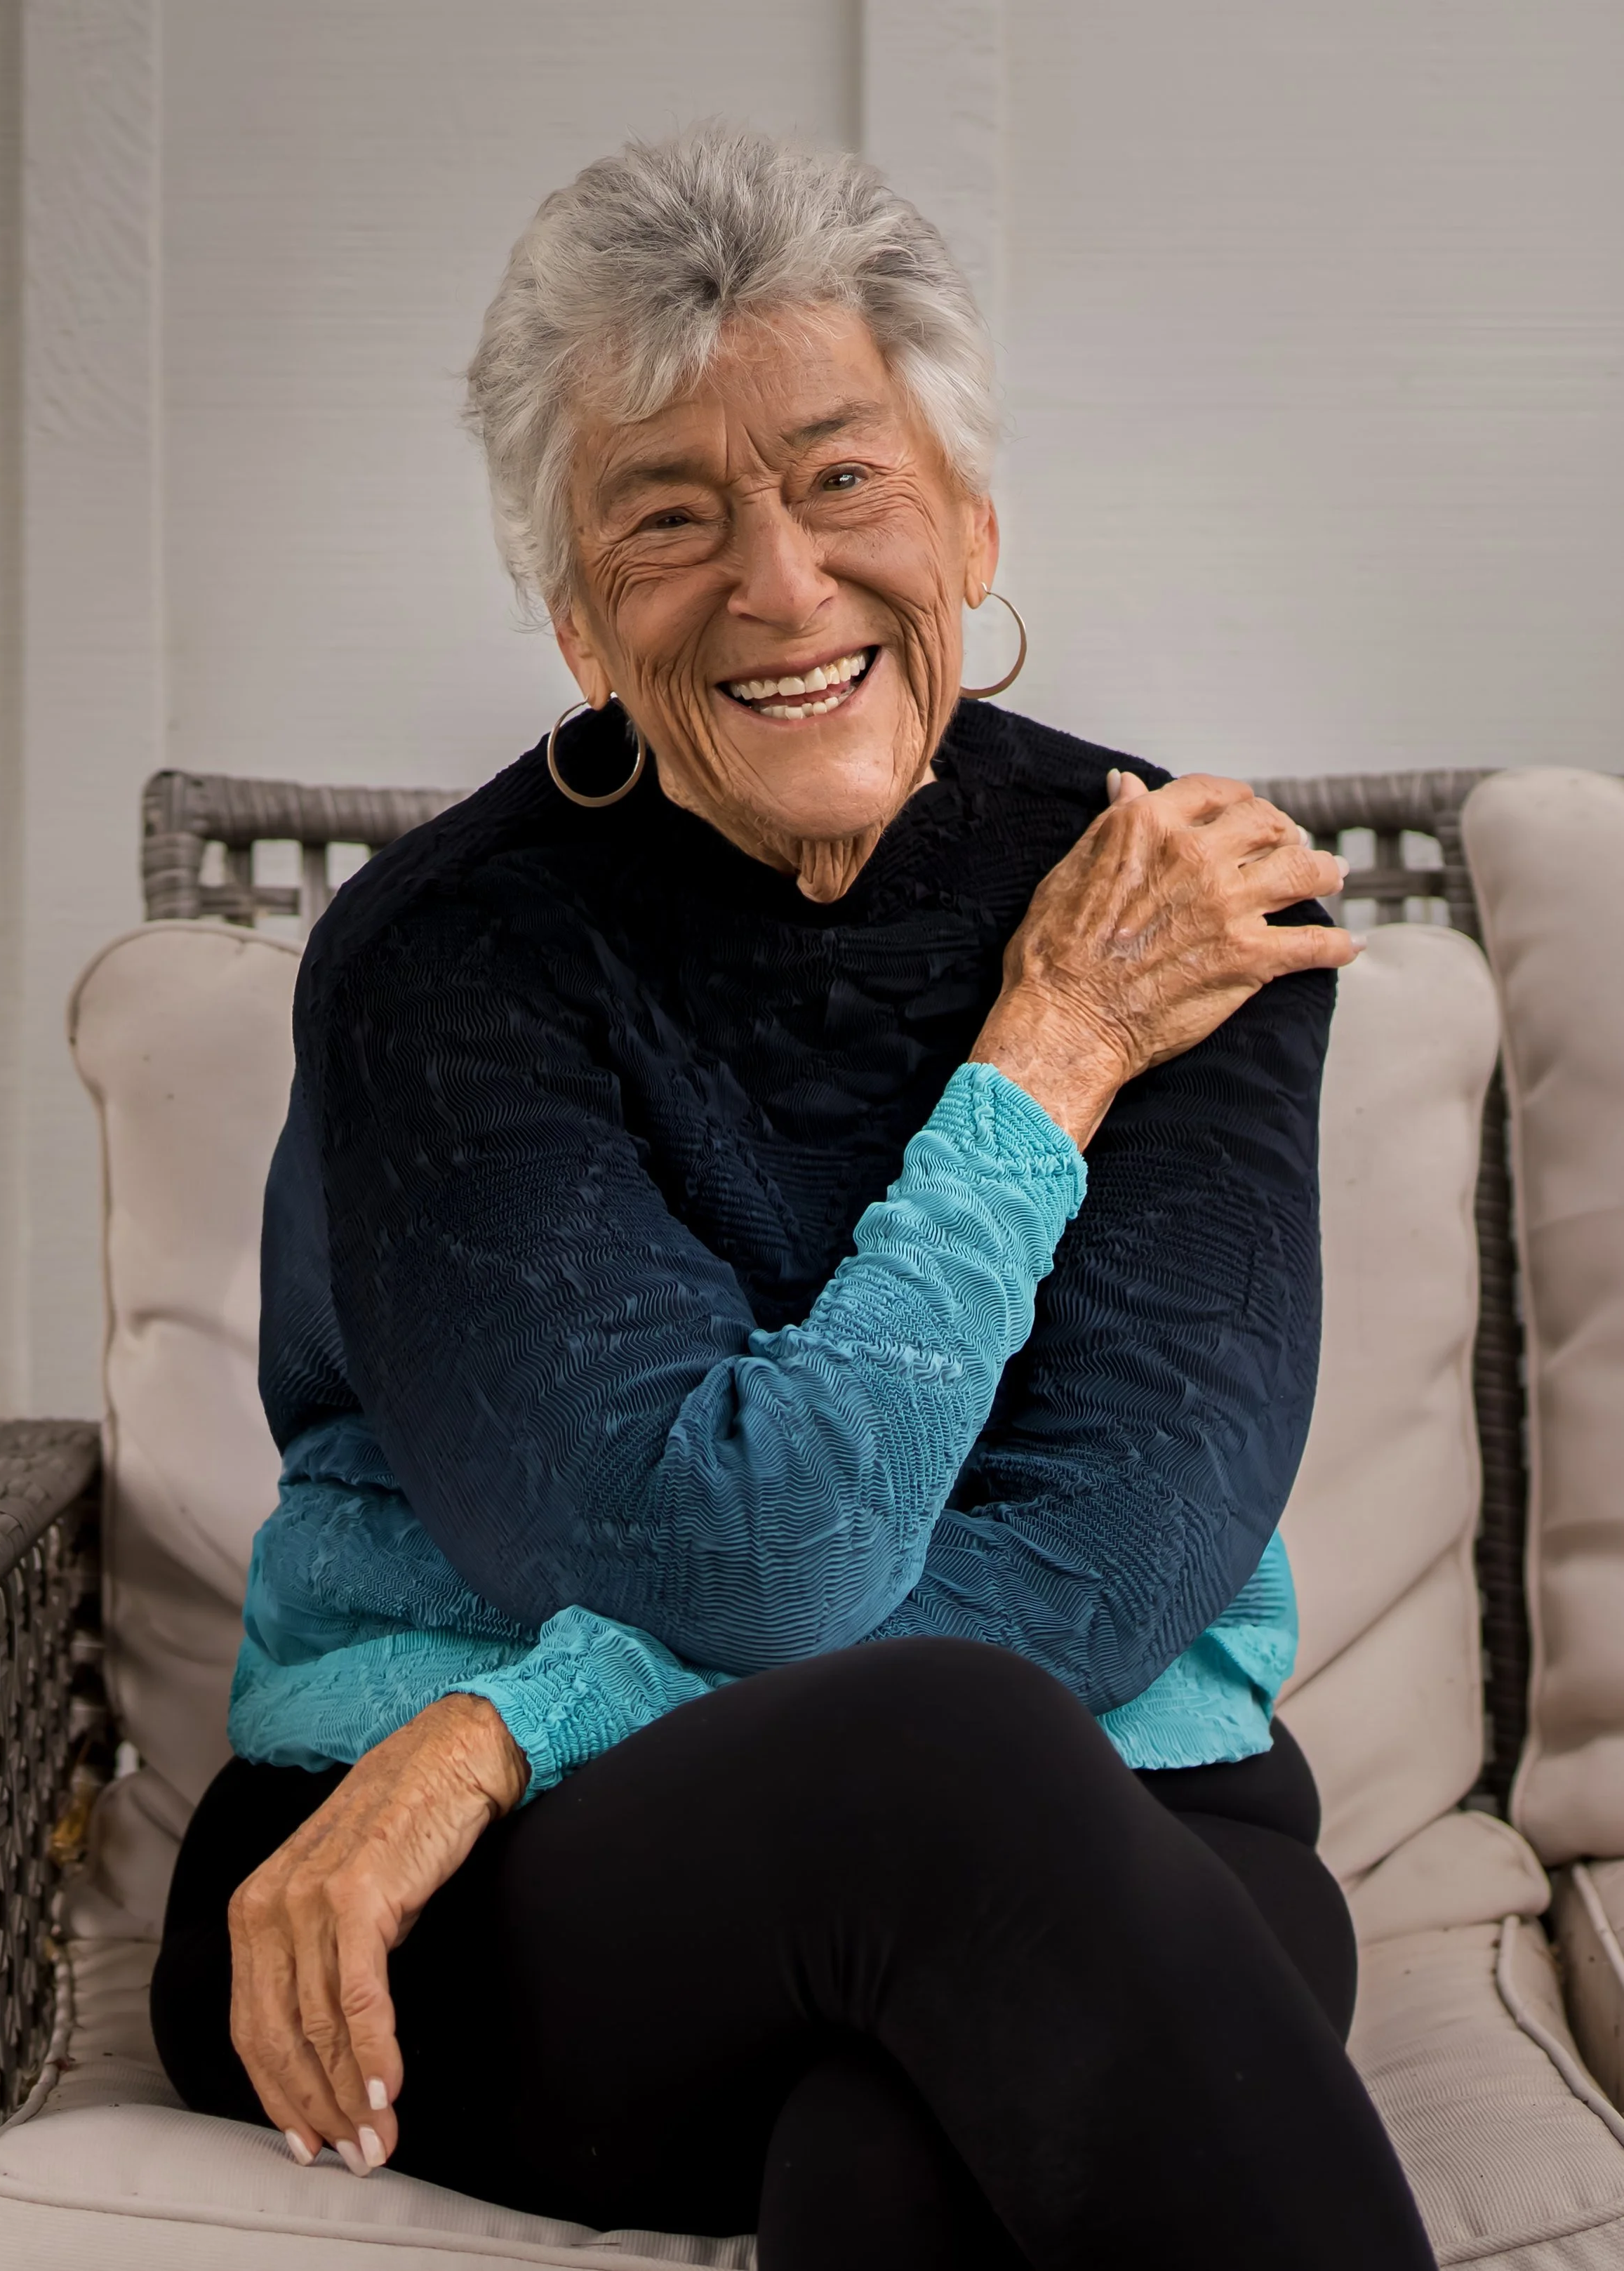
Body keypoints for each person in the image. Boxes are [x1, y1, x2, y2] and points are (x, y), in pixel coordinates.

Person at [152, 125, 1434, 2269]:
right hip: (462, 1895)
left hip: (1121, 1821)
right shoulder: (443, 959)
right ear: (574, 621)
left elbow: (1108, 1566)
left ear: (970, 522)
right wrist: (1049, 1061)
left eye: (841, 479)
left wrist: (513, 1714)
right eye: (669, 516)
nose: (775, 580)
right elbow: (731, 1555)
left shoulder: (1180, 906)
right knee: (936, 1758)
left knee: (906, 2159)